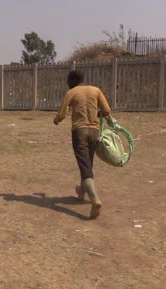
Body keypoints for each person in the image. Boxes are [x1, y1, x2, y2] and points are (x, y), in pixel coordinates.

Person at [53, 70, 111, 219]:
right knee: (87, 164)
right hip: (94, 131)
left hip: (79, 131)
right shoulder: (95, 90)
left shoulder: (71, 92)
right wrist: (96, 114)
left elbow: (62, 114)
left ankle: (95, 200)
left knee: (84, 165)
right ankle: (81, 193)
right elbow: (106, 110)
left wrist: (56, 120)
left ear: (70, 81)